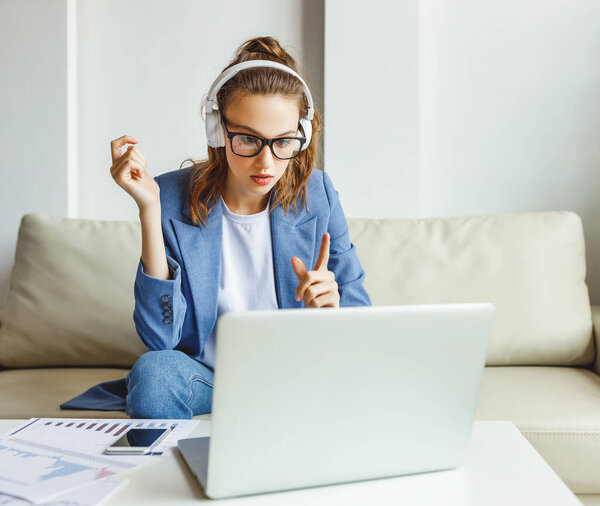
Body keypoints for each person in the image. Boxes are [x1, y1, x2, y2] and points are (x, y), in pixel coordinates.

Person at [60, 36, 371, 419]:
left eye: (284, 142)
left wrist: (331, 309)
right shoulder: (170, 195)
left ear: (301, 136)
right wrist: (149, 210)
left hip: (297, 376)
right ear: (217, 130)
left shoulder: (318, 194)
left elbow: (361, 324)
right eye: (248, 139)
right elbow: (160, 339)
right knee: (155, 373)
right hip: (208, 380)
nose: (266, 162)